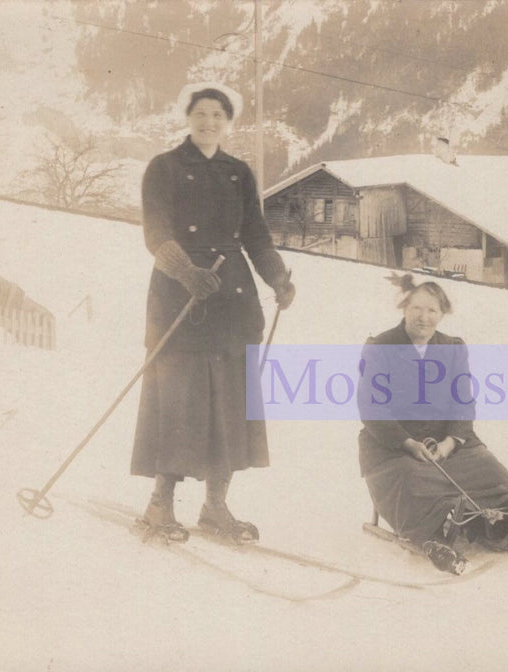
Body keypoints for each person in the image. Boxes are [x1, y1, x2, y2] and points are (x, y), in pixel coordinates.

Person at [131, 82, 296, 543]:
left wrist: (278, 278)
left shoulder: (238, 173)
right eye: (201, 114)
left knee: (229, 404)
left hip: (232, 301)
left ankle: (215, 506)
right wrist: (186, 272)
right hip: (179, 299)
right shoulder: (163, 168)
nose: (208, 123)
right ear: (188, 117)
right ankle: (160, 504)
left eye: (217, 116)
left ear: (228, 123)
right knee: (178, 402)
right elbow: (155, 232)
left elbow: (256, 235)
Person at [357, 274, 508, 574]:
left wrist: (451, 442)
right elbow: (371, 406)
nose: (424, 317)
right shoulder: (380, 347)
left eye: (432, 310)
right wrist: (408, 443)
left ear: (442, 313)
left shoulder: (452, 348)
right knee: (412, 478)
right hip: (394, 448)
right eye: (416, 308)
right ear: (404, 308)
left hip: (447, 443)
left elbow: (463, 401)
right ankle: (435, 543)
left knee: (491, 471)